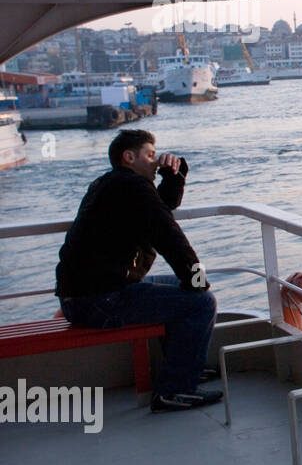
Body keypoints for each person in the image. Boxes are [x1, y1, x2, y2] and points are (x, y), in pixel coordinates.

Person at [55, 129, 221, 413]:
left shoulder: (112, 184)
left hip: (84, 297)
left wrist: (174, 177)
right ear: (129, 157)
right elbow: (169, 236)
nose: (156, 162)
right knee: (200, 302)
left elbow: (159, 211)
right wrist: (197, 279)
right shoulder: (131, 187)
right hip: (99, 301)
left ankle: (185, 367)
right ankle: (174, 389)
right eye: (151, 155)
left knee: (182, 292)